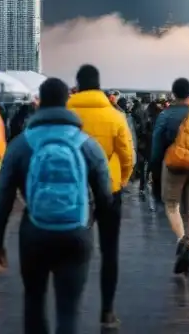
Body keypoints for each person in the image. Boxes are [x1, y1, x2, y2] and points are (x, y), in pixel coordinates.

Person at [0, 77, 112, 334]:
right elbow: (104, 195)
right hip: (76, 232)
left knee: (34, 301)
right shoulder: (87, 144)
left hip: (34, 232)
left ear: (39, 103)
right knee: (68, 309)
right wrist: (95, 228)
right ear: (67, 103)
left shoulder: (21, 144)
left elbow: (3, 196)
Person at [66, 64, 135, 329]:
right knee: (109, 250)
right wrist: (123, 178)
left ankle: (70, 307)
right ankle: (107, 311)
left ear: (78, 84)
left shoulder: (67, 111)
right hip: (109, 189)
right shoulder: (115, 115)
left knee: (72, 250)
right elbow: (127, 155)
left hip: (73, 190)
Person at [150, 77, 189, 274]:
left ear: (173, 94)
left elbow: (157, 145)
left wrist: (155, 169)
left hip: (174, 166)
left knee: (171, 205)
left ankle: (181, 240)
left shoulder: (165, 116)